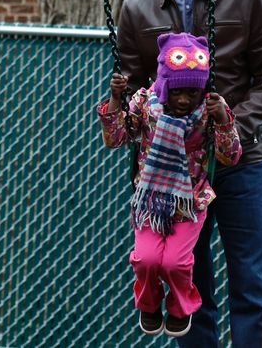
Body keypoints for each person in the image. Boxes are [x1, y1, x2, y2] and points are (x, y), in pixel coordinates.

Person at [117, 0, 262, 347]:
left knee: (250, 280)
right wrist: (134, 113)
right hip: (172, 170)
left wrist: (228, 125)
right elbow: (133, 85)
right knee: (185, 277)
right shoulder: (138, 7)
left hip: (240, 162)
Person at [98, 33, 242, 338]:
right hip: (150, 199)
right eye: (177, 91)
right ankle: (149, 305)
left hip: (190, 202)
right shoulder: (145, 104)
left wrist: (224, 120)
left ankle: (179, 309)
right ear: (164, 83)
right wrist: (114, 100)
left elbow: (230, 157)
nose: (183, 100)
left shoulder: (209, 109)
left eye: (192, 92)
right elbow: (115, 138)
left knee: (175, 264)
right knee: (148, 260)